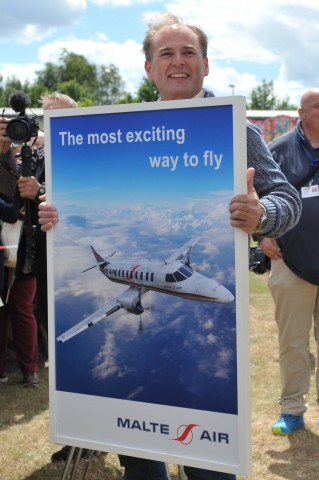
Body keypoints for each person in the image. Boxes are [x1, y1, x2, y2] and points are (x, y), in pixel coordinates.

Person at [40, 12, 302, 479]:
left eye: (188, 53)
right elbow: (88, 206)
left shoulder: (236, 128)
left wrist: (264, 215)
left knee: (211, 465)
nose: (178, 62)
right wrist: (54, 219)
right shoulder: (120, 127)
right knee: (141, 463)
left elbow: (288, 200)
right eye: (166, 53)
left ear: (206, 65)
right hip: (135, 369)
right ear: (149, 68)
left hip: (215, 389)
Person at [0, 92, 77, 386]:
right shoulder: (37, 156)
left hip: (72, 256)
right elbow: (15, 202)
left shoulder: (87, 153)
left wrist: (40, 188)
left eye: (62, 116)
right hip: (36, 256)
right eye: (49, 117)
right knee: (38, 312)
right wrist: (4, 151)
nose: (55, 123)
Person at [258, 89, 319, 436]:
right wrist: (263, 236)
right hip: (289, 261)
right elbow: (256, 197)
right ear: (300, 112)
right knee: (293, 341)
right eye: (318, 106)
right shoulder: (276, 149)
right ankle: (293, 410)